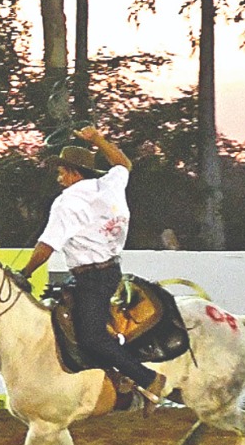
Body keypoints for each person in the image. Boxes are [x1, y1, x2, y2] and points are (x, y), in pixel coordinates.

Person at [17, 126, 167, 409]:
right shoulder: (110, 183)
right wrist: (98, 139)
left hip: (92, 279)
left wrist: (24, 273)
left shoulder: (67, 203)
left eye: (61, 171)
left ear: (73, 172)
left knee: (91, 337)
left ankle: (147, 379)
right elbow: (124, 163)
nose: (59, 178)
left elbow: (46, 246)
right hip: (108, 272)